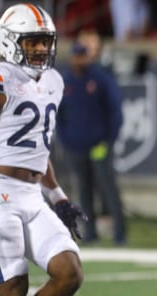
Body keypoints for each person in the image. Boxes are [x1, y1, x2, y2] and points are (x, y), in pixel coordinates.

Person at [0, 3, 86, 296]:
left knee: (69, 273)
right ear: (10, 41)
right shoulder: (0, 77)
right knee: (12, 293)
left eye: (44, 42)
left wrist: (60, 198)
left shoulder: (54, 82)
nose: (39, 50)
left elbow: (39, 150)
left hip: (33, 195)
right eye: (31, 42)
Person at [56, 32, 126, 245]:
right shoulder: (65, 81)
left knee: (107, 188)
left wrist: (108, 140)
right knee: (84, 190)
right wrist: (66, 140)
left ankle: (120, 234)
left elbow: (115, 111)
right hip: (76, 146)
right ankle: (91, 232)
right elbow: (59, 116)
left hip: (98, 144)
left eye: (83, 55)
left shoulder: (100, 78)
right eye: (76, 56)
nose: (79, 60)